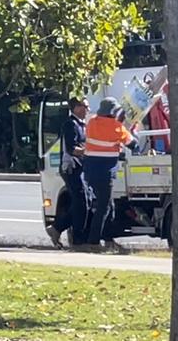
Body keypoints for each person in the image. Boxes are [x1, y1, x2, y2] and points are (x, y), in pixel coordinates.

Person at [83, 97, 138, 246]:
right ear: (113, 112)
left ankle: (108, 238)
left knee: (108, 204)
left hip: (89, 170)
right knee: (104, 206)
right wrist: (132, 129)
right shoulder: (117, 127)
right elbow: (134, 145)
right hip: (104, 172)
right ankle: (93, 241)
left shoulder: (91, 122)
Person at [45, 98, 90, 248]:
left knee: (83, 202)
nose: (87, 110)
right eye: (85, 106)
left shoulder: (81, 125)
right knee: (81, 202)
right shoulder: (70, 125)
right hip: (71, 168)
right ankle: (77, 240)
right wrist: (89, 151)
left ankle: (57, 228)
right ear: (76, 108)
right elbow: (72, 149)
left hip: (80, 168)